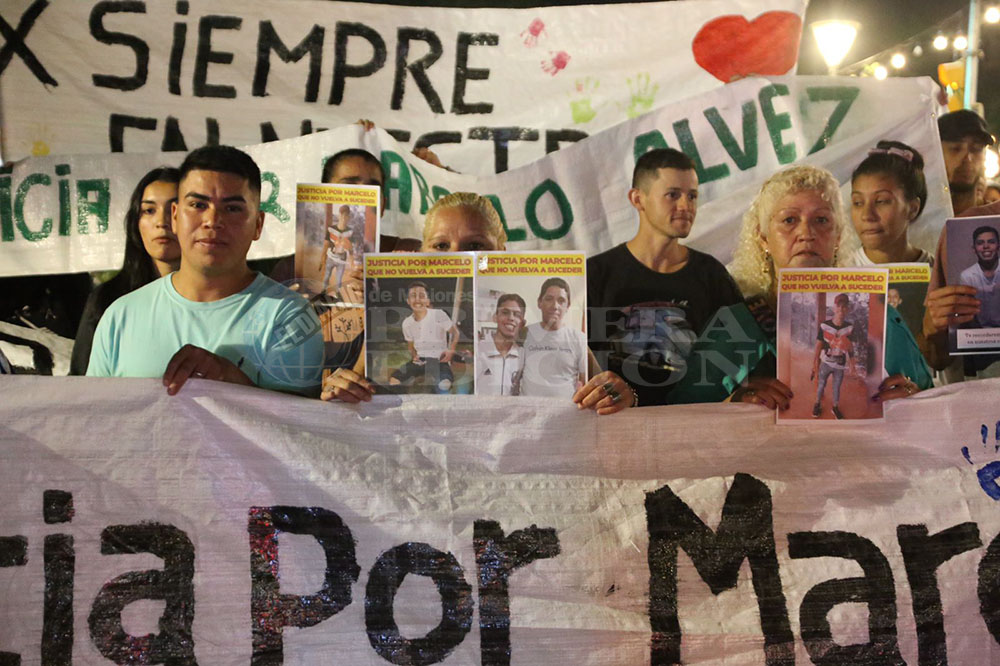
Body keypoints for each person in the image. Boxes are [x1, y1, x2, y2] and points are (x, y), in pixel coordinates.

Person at [322, 192, 635, 413]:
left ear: (502, 252)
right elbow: (353, 398)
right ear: (421, 251)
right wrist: (340, 389)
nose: (458, 254)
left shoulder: (551, 332)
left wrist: (621, 395)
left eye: (475, 244)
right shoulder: (389, 315)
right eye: (441, 245)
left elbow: (602, 394)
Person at [88, 145, 324, 395]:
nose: (212, 221)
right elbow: (93, 413)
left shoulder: (289, 318)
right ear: (175, 217)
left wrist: (230, 378)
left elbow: (297, 419)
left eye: (232, 208)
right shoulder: (121, 316)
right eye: (198, 205)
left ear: (258, 224)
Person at [725, 165, 931, 409]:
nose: (806, 233)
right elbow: (687, 413)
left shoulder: (880, 316)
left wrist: (914, 398)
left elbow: (931, 404)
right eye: (789, 220)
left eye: (821, 220)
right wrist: (733, 402)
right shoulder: (736, 325)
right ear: (763, 238)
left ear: (838, 237)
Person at [587, 148, 743, 405]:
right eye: (673, 195)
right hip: (614, 424)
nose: (686, 206)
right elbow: (576, 368)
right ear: (638, 199)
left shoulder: (711, 275)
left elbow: (739, 361)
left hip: (693, 424)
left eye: (692, 196)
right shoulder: (595, 274)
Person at [70, 167, 181, 375]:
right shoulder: (108, 301)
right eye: (149, 210)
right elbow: (80, 381)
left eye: (174, 210)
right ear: (135, 222)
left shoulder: (218, 297)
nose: (162, 222)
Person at [847, 141, 932, 266]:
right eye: (858, 203)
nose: (867, 215)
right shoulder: (839, 270)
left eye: (881, 201)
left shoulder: (939, 272)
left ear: (913, 208)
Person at [519, 278, 588, 398]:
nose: (555, 306)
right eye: (549, 299)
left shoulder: (579, 338)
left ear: (568, 306)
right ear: (539, 302)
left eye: (561, 301)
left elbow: (586, 381)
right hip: (528, 408)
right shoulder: (524, 334)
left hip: (565, 408)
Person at [388, 281, 460, 393]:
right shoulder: (407, 323)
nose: (417, 300)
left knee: (444, 385)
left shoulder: (438, 314)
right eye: (413, 296)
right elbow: (410, 346)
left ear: (427, 301)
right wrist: (414, 356)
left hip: (439, 361)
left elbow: (455, 333)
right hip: (420, 361)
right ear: (408, 301)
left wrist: (451, 351)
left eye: (422, 296)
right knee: (393, 381)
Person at [938, 109, 994, 215]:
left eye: (976, 149)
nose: (968, 158)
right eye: (956, 149)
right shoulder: (915, 218)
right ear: (938, 152)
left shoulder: (994, 219)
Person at [811, 294, 856, 419]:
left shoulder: (849, 328)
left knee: (836, 387)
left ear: (847, 309)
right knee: (821, 384)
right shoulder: (824, 325)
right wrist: (814, 364)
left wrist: (852, 364)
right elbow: (818, 346)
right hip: (826, 362)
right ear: (834, 307)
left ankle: (835, 407)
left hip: (839, 365)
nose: (841, 309)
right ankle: (817, 404)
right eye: (838, 306)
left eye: (844, 307)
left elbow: (850, 348)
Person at [476, 293, 525, 396]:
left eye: (517, 315)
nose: (511, 318)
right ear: (495, 317)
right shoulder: (479, 349)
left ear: (522, 323)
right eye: (505, 312)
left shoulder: (523, 356)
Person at [959, 225, 1000, 327]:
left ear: (998, 246)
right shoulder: (967, 276)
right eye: (980, 243)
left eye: (991, 242)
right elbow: (967, 314)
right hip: (978, 333)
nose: (986, 246)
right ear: (974, 249)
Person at [318, 204, 356, 293]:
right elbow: (325, 245)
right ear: (339, 215)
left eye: (346, 216)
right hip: (331, 256)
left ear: (348, 217)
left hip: (341, 259)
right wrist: (322, 260)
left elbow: (351, 250)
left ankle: (338, 296)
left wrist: (352, 264)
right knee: (326, 277)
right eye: (342, 215)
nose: (343, 218)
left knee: (339, 281)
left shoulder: (350, 232)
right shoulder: (331, 229)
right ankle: (323, 294)